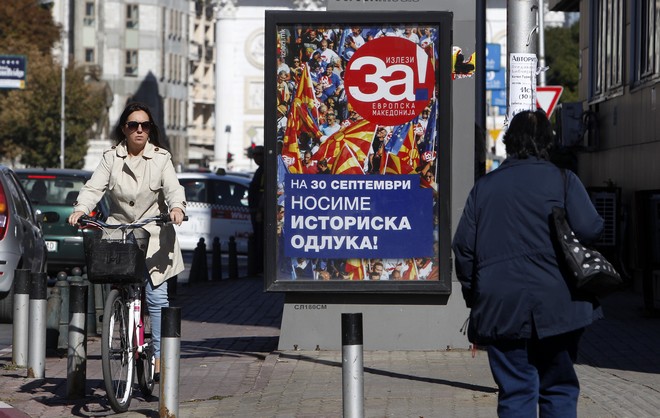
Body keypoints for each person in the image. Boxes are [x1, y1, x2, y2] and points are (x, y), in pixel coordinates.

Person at [451, 110, 604, 418]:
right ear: (548, 142)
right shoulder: (564, 180)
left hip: (500, 305)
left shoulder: (485, 187)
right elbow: (591, 229)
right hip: (560, 304)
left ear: (509, 142)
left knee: (516, 390)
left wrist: (474, 294)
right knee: (558, 386)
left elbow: (463, 247)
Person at [68, 102, 186, 383]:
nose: (139, 130)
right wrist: (80, 208)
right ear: (124, 128)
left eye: (145, 125)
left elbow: (173, 188)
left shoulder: (161, 158)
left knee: (157, 298)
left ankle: (158, 356)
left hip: (155, 235)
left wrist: (177, 207)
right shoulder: (111, 158)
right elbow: (93, 187)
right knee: (120, 287)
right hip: (119, 234)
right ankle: (120, 315)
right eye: (133, 125)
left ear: (150, 130)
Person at [248, 145, 265, 274]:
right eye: (253, 155)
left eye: (257, 155)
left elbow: (263, 192)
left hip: (260, 211)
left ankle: (260, 267)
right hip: (256, 210)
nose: (255, 158)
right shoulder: (260, 170)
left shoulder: (264, 170)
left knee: (260, 239)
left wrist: (259, 210)